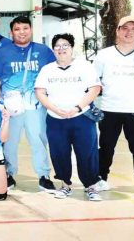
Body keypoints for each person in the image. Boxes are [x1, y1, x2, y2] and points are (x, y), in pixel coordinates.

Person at [93, 15, 134, 200]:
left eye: (133, 28)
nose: (129, 32)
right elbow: (95, 81)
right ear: (117, 31)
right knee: (106, 146)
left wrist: (131, 93)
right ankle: (101, 178)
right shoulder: (104, 55)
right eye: (124, 28)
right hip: (109, 109)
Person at [0, 16, 56, 192]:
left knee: (38, 139)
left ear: (31, 30)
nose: (22, 32)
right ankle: (9, 174)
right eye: (17, 29)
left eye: (25, 28)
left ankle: (43, 175)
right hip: (11, 105)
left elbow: (53, 77)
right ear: (11, 32)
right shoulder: (2, 53)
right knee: (9, 141)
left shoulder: (44, 51)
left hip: (35, 104)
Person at [35, 33, 102, 201]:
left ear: (72, 48)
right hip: (55, 119)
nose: (61, 49)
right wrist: (55, 109)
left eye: (65, 45)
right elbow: (40, 92)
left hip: (82, 117)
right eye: (57, 46)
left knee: (87, 152)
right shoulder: (47, 69)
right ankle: (65, 185)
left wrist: (77, 107)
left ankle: (91, 186)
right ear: (53, 49)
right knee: (59, 152)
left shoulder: (84, 66)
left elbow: (95, 89)